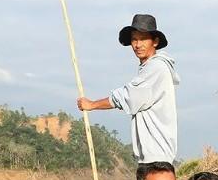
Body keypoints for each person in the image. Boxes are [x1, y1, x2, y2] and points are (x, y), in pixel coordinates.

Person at [77, 14, 180, 165]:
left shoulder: (156, 67)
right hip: (153, 158)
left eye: (143, 39)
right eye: (134, 39)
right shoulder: (150, 68)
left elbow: (128, 96)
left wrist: (92, 105)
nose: (138, 45)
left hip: (156, 158)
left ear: (155, 42)